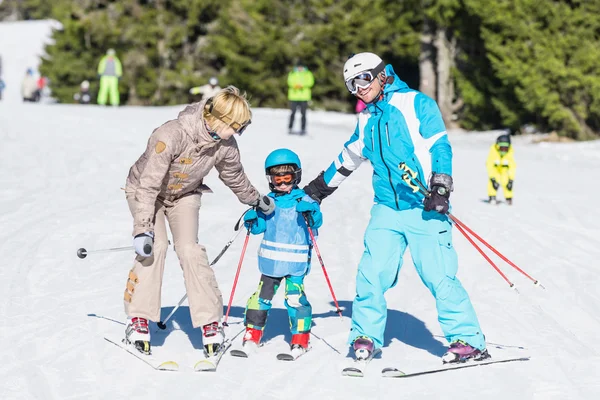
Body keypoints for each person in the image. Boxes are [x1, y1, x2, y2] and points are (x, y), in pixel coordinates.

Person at [303, 52, 488, 364]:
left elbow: (439, 145)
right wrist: (316, 190)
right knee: (371, 274)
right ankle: (365, 336)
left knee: (438, 275)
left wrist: (440, 186)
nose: (358, 88)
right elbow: (349, 157)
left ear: (381, 75)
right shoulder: (366, 118)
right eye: (351, 84)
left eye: (362, 79)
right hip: (387, 208)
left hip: (424, 205)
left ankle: (468, 340)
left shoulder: (416, 103)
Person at [123, 86, 275, 357]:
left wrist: (255, 199)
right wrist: (143, 229)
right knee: (156, 247)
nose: (238, 134)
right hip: (147, 193)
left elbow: (233, 176)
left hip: (184, 194)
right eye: (238, 128)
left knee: (190, 250)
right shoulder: (170, 135)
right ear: (221, 120)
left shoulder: (224, 144)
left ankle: (209, 322)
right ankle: (138, 318)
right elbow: (147, 186)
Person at [240, 149, 322, 357]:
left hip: (295, 265)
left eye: (288, 178)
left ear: (297, 176)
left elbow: (317, 224)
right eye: (278, 180)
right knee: (260, 298)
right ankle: (252, 334)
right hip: (272, 264)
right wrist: (252, 219)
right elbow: (259, 228)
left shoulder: (305, 200)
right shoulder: (268, 202)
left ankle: (300, 340)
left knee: (295, 299)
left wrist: (311, 213)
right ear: (270, 180)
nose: (283, 184)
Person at [486, 133, 516, 205]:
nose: (504, 150)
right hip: (495, 170)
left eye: (506, 148)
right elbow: (489, 165)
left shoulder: (510, 154)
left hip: (504, 170)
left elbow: (512, 167)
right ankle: (492, 197)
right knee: (493, 182)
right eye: (501, 148)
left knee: (506, 180)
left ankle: (509, 198)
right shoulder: (493, 152)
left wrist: (511, 180)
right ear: (497, 146)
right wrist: (492, 178)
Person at [287, 62, 314, 135]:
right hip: (294, 96)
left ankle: (303, 128)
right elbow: (289, 82)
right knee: (292, 113)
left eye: (301, 67)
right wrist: (295, 85)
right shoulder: (292, 73)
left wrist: (302, 85)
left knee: (303, 114)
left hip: (304, 97)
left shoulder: (308, 73)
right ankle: (290, 127)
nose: (300, 68)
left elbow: (311, 82)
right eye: (299, 67)